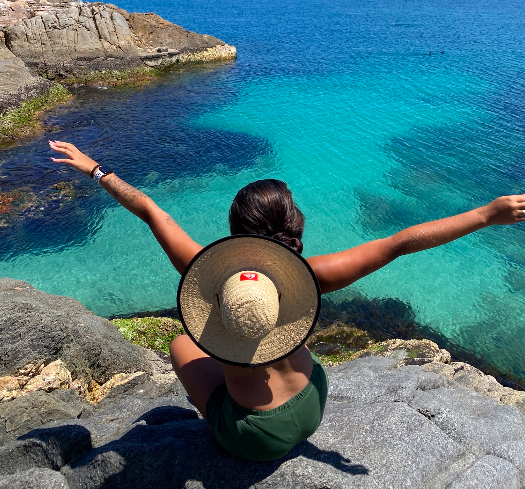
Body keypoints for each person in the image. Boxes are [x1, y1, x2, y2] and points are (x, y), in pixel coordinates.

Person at [49, 139, 525, 461]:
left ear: (235, 232)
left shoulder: (204, 273)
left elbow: (152, 210)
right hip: (313, 399)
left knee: (180, 343)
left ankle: (227, 417)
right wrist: (486, 213)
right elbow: (399, 242)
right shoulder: (312, 277)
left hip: (255, 438)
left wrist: (96, 169)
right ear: (294, 225)